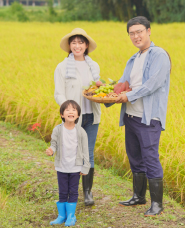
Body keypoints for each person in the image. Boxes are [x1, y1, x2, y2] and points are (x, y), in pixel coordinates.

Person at [107, 16, 171, 216]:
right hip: (131, 117)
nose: (136, 36)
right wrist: (108, 93)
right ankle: (139, 196)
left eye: (139, 31)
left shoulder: (159, 54)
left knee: (150, 158)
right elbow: (123, 83)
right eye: (132, 33)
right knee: (135, 157)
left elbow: (153, 83)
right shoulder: (133, 59)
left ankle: (157, 205)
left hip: (148, 118)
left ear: (149, 31)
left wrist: (129, 95)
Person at [54, 28, 101, 206]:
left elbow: (96, 89)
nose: (77, 46)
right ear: (69, 46)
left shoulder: (93, 65)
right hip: (72, 119)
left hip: (91, 116)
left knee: (87, 153)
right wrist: (69, 111)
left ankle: (87, 192)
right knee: (71, 153)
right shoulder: (62, 67)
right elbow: (58, 93)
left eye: (81, 42)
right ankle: (67, 192)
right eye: (74, 42)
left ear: (86, 45)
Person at [46, 100, 90, 226]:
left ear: (78, 115)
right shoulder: (58, 130)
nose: (71, 112)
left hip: (75, 167)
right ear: (62, 114)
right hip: (62, 166)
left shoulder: (81, 132)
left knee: (73, 191)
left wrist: (85, 166)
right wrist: (51, 150)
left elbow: (86, 151)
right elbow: (53, 144)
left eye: (74, 110)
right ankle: (61, 216)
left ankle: (71, 216)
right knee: (63, 191)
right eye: (67, 110)